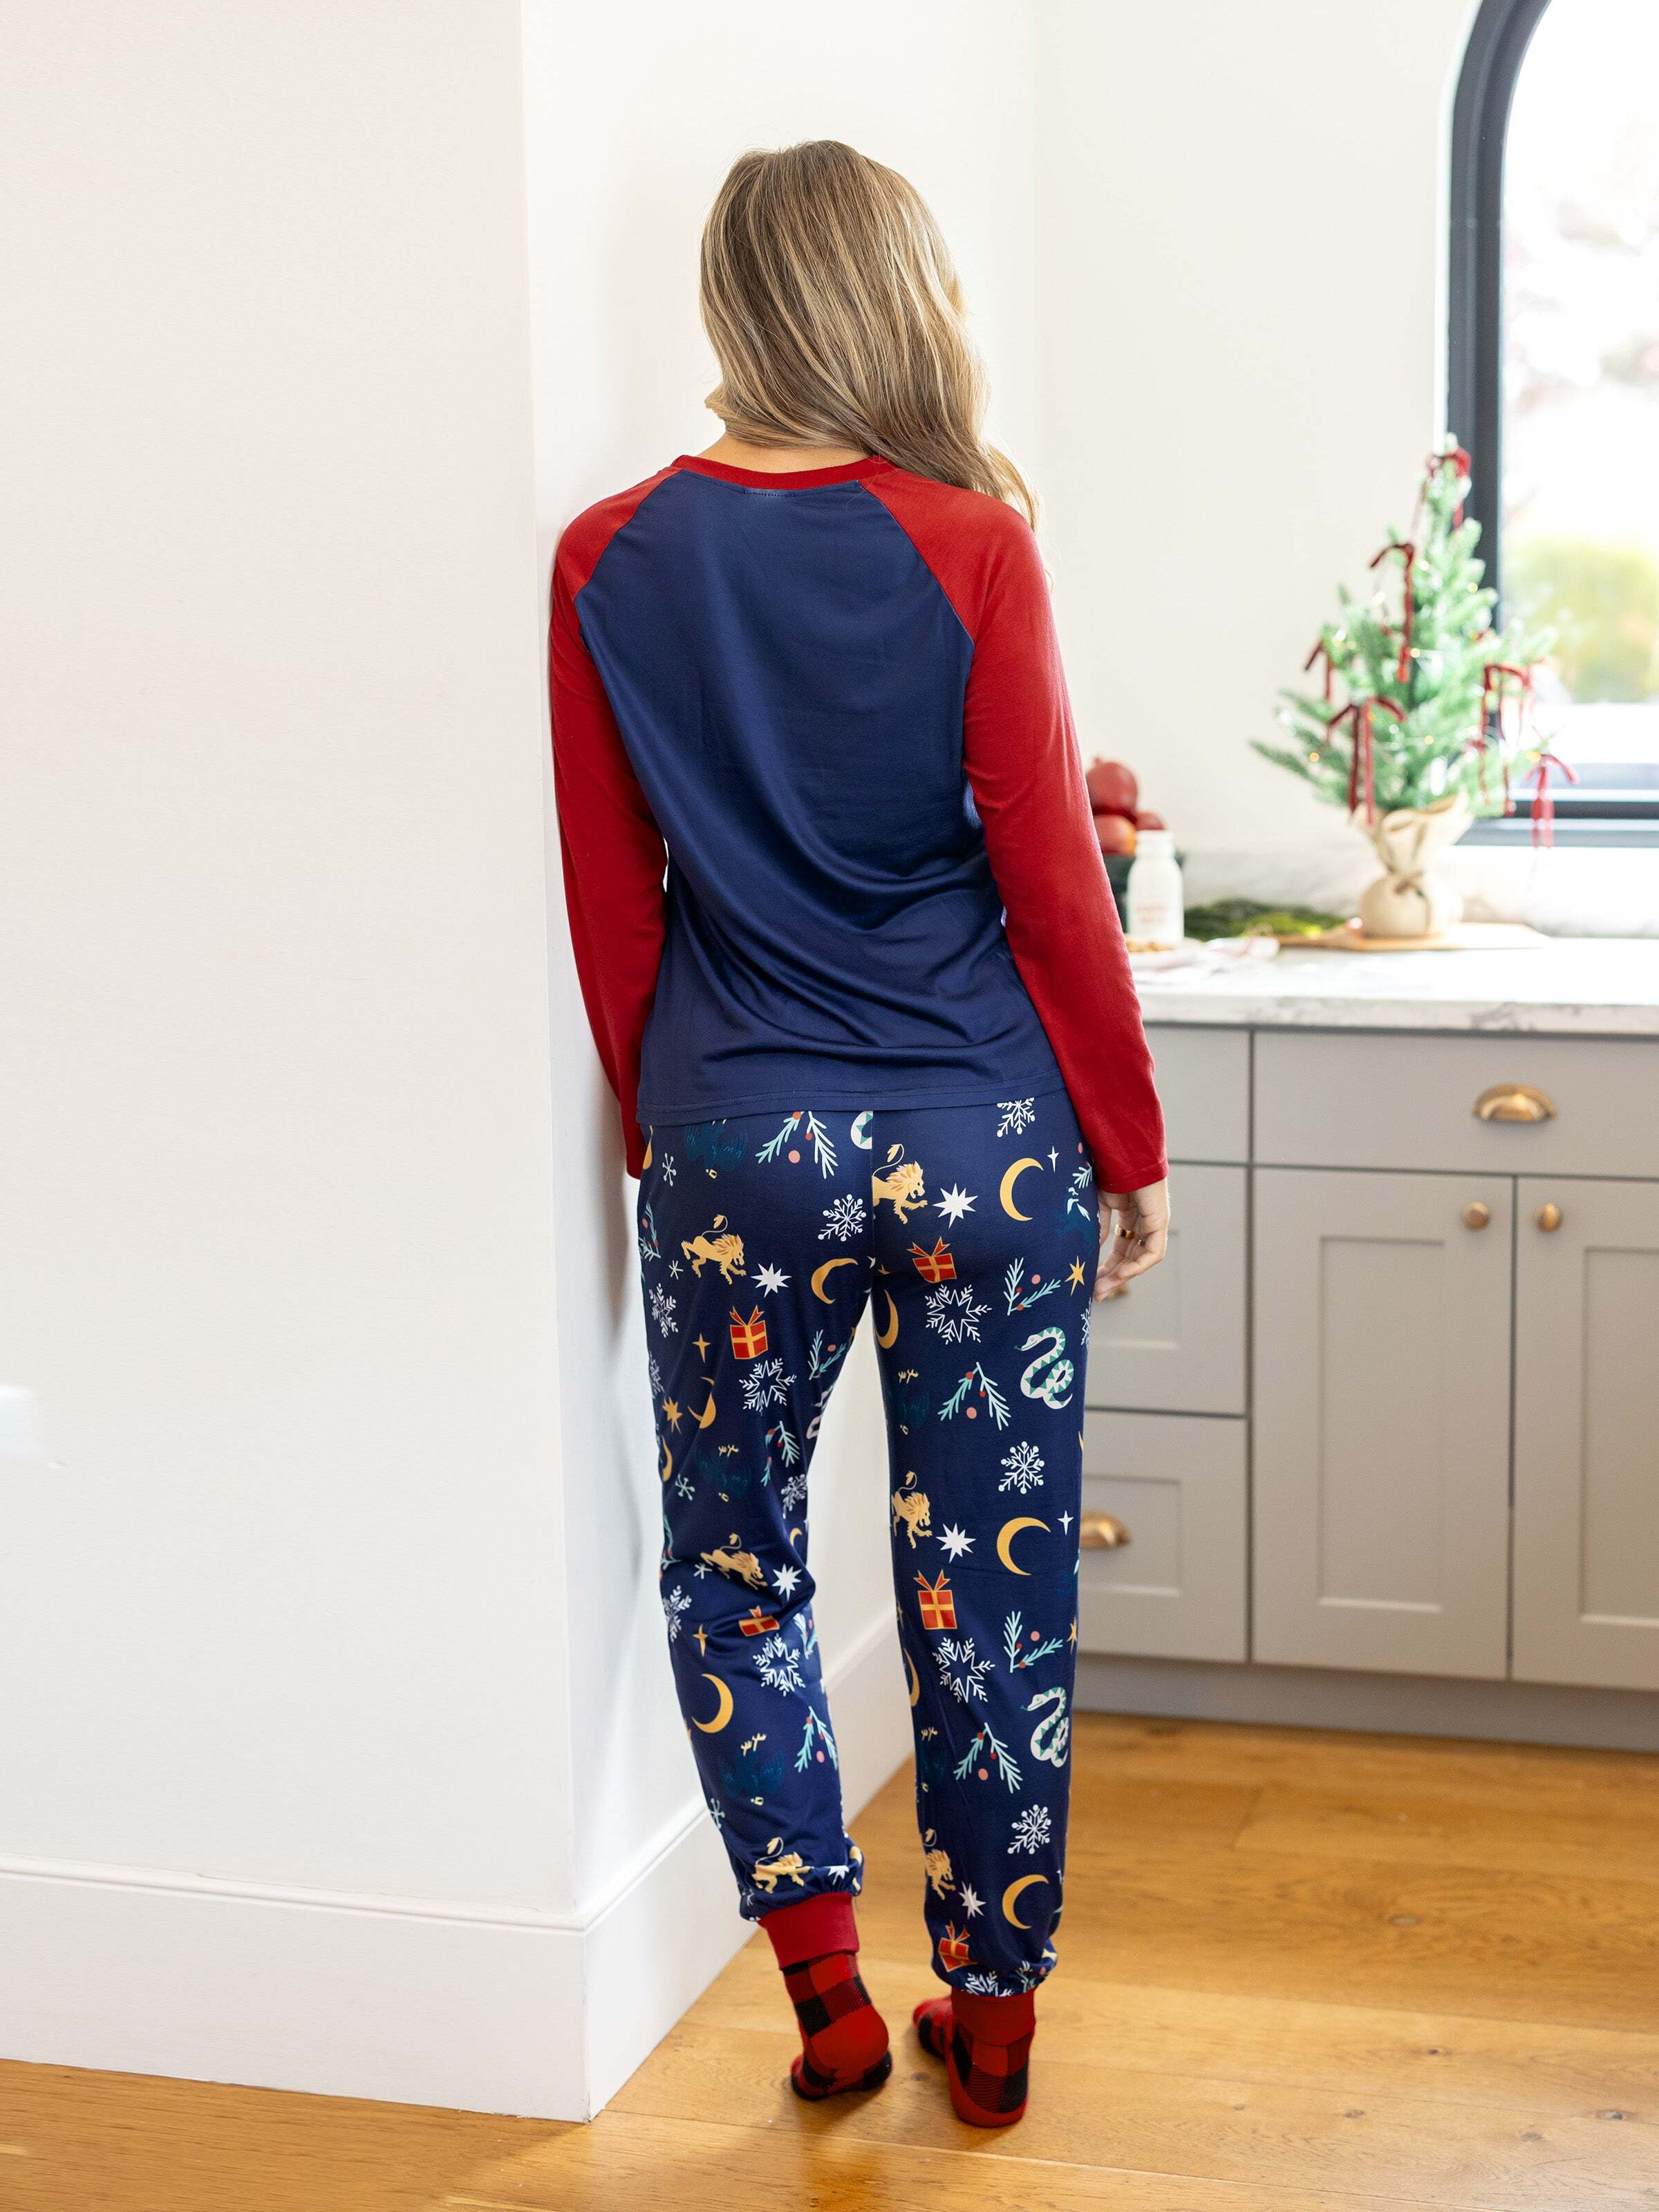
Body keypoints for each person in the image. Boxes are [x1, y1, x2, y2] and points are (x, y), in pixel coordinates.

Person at [550, 139, 1169, 2129]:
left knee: (734, 1567)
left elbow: (614, 895)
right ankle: (991, 2022)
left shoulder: (606, 557)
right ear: (903, 295)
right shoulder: (973, 541)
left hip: (737, 1138)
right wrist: (1127, 1140)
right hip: (981, 1142)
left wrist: (663, 1125)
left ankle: (824, 2000)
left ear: (731, 302)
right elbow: (1049, 881)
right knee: (987, 1588)